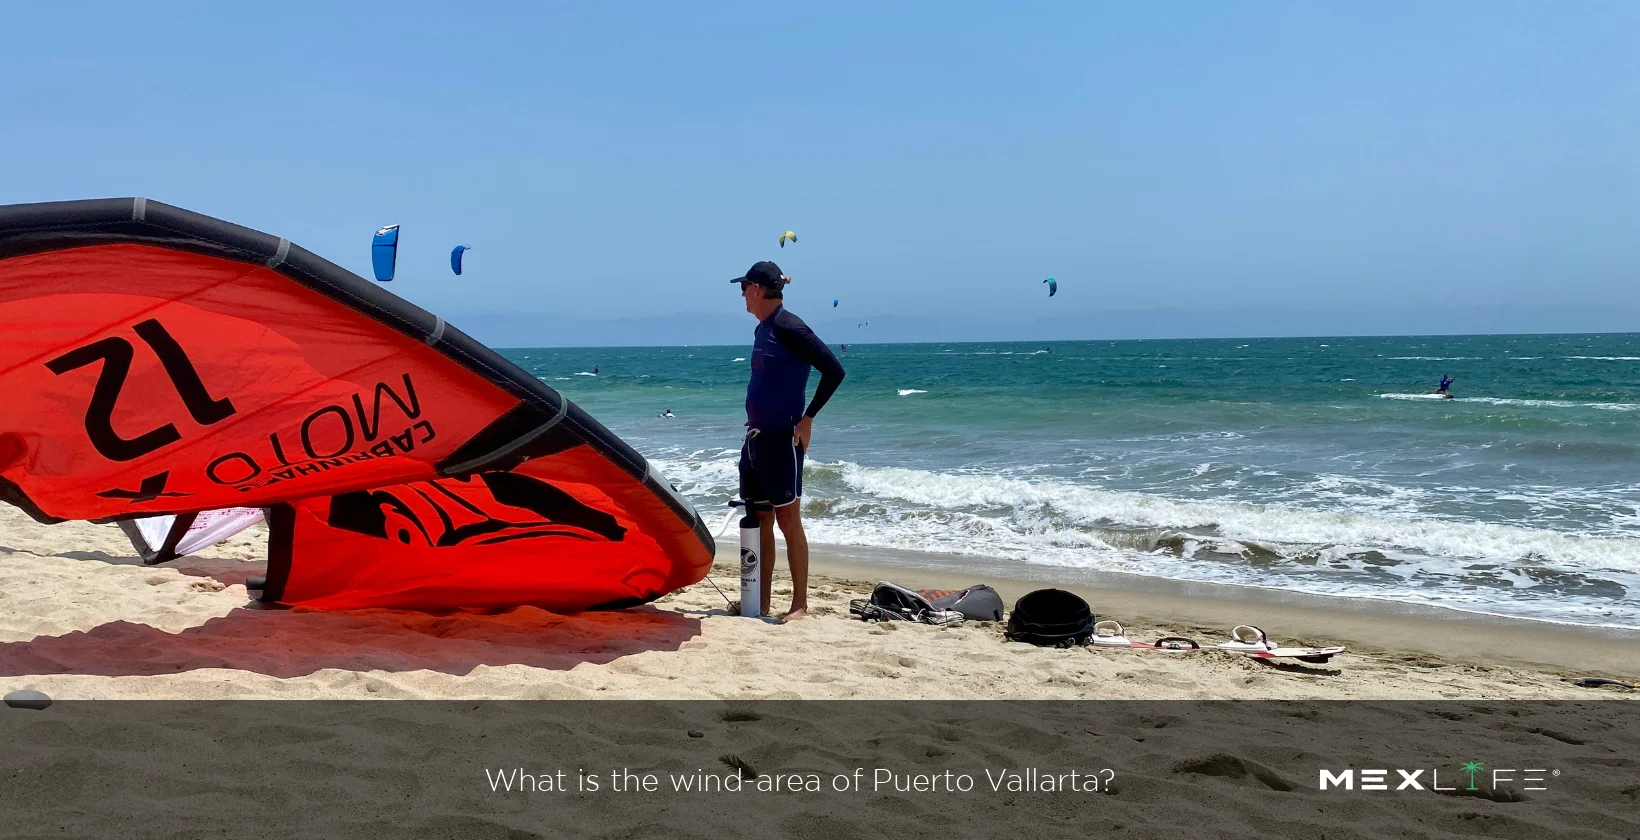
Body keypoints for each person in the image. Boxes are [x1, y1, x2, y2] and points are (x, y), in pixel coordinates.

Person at [730, 260, 845, 622]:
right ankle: (759, 603)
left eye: (744, 287)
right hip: (755, 439)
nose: (741, 295)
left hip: (782, 439)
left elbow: (834, 370)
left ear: (758, 290)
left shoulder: (789, 326)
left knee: (788, 521)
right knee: (760, 519)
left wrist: (808, 418)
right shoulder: (762, 329)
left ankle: (799, 605)